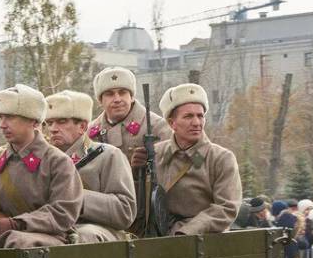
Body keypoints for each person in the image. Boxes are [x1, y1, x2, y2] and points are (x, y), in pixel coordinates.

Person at [0, 84, 83, 249]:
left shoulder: (57, 161)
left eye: (10, 117)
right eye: (1, 118)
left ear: (33, 121)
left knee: (15, 242)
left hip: (51, 237)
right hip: (8, 233)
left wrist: (16, 223)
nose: (3, 125)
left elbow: (63, 212)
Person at [88, 67, 173, 236]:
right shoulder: (90, 134)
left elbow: (176, 175)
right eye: (110, 94)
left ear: (132, 96)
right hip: (105, 221)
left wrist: (152, 164)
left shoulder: (157, 127)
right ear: (100, 100)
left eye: (122, 92)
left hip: (150, 221)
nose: (117, 99)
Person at [43, 90, 135, 243]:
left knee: (83, 236)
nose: (53, 128)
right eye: (49, 123)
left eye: (62, 121)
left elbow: (125, 211)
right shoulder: (43, 161)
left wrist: (75, 198)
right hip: (51, 227)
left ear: (82, 126)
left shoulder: (107, 155)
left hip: (99, 231)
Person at [152, 84, 242, 235]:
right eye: (188, 116)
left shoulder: (220, 158)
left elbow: (227, 208)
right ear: (171, 123)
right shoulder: (156, 154)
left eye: (200, 116)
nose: (196, 123)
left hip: (204, 239)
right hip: (159, 235)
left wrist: (187, 231)